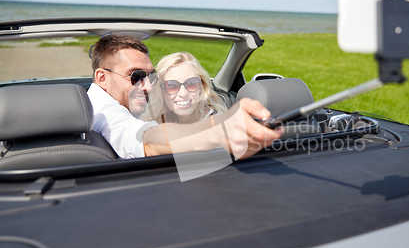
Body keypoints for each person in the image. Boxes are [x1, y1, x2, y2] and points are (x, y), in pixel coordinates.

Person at [87, 34, 282, 159]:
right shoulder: (105, 112)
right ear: (102, 78)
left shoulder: (99, 107)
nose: (147, 86)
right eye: (135, 76)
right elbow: (145, 139)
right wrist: (218, 131)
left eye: (149, 76)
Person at [140, 52, 227, 125]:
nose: (183, 94)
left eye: (191, 83)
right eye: (172, 86)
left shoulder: (217, 124)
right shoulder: (158, 121)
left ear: (201, 87)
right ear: (161, 90)